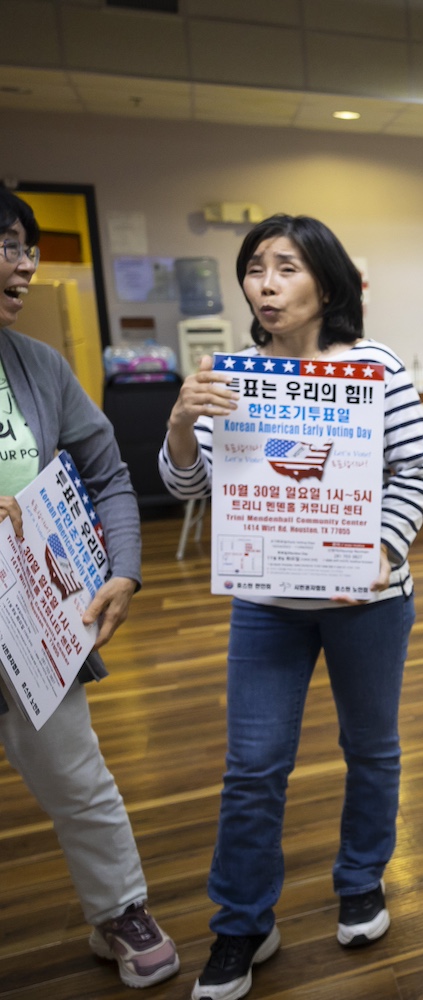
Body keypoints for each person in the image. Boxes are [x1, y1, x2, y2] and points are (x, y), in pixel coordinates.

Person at [159, 214, 423, 1000]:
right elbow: (188, 486)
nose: (265, 284)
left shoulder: (375, 368)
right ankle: (243, 922)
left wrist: (379, 550)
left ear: (327, 282)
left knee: (372, 749)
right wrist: (181, 423)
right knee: (252, 768)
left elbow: (417, 469)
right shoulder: (235, 374)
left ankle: (360, 879)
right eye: (254, 269)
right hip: (267, 603)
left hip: (368, 602)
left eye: (284, 268)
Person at [0, 189, 179, 987]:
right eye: (7, 245)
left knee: (78, 779)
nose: (26, 262)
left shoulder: (37, 364)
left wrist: (124, 571)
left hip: (35, 625)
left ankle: (119, 910)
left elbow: (106, 470)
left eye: (26, 245)